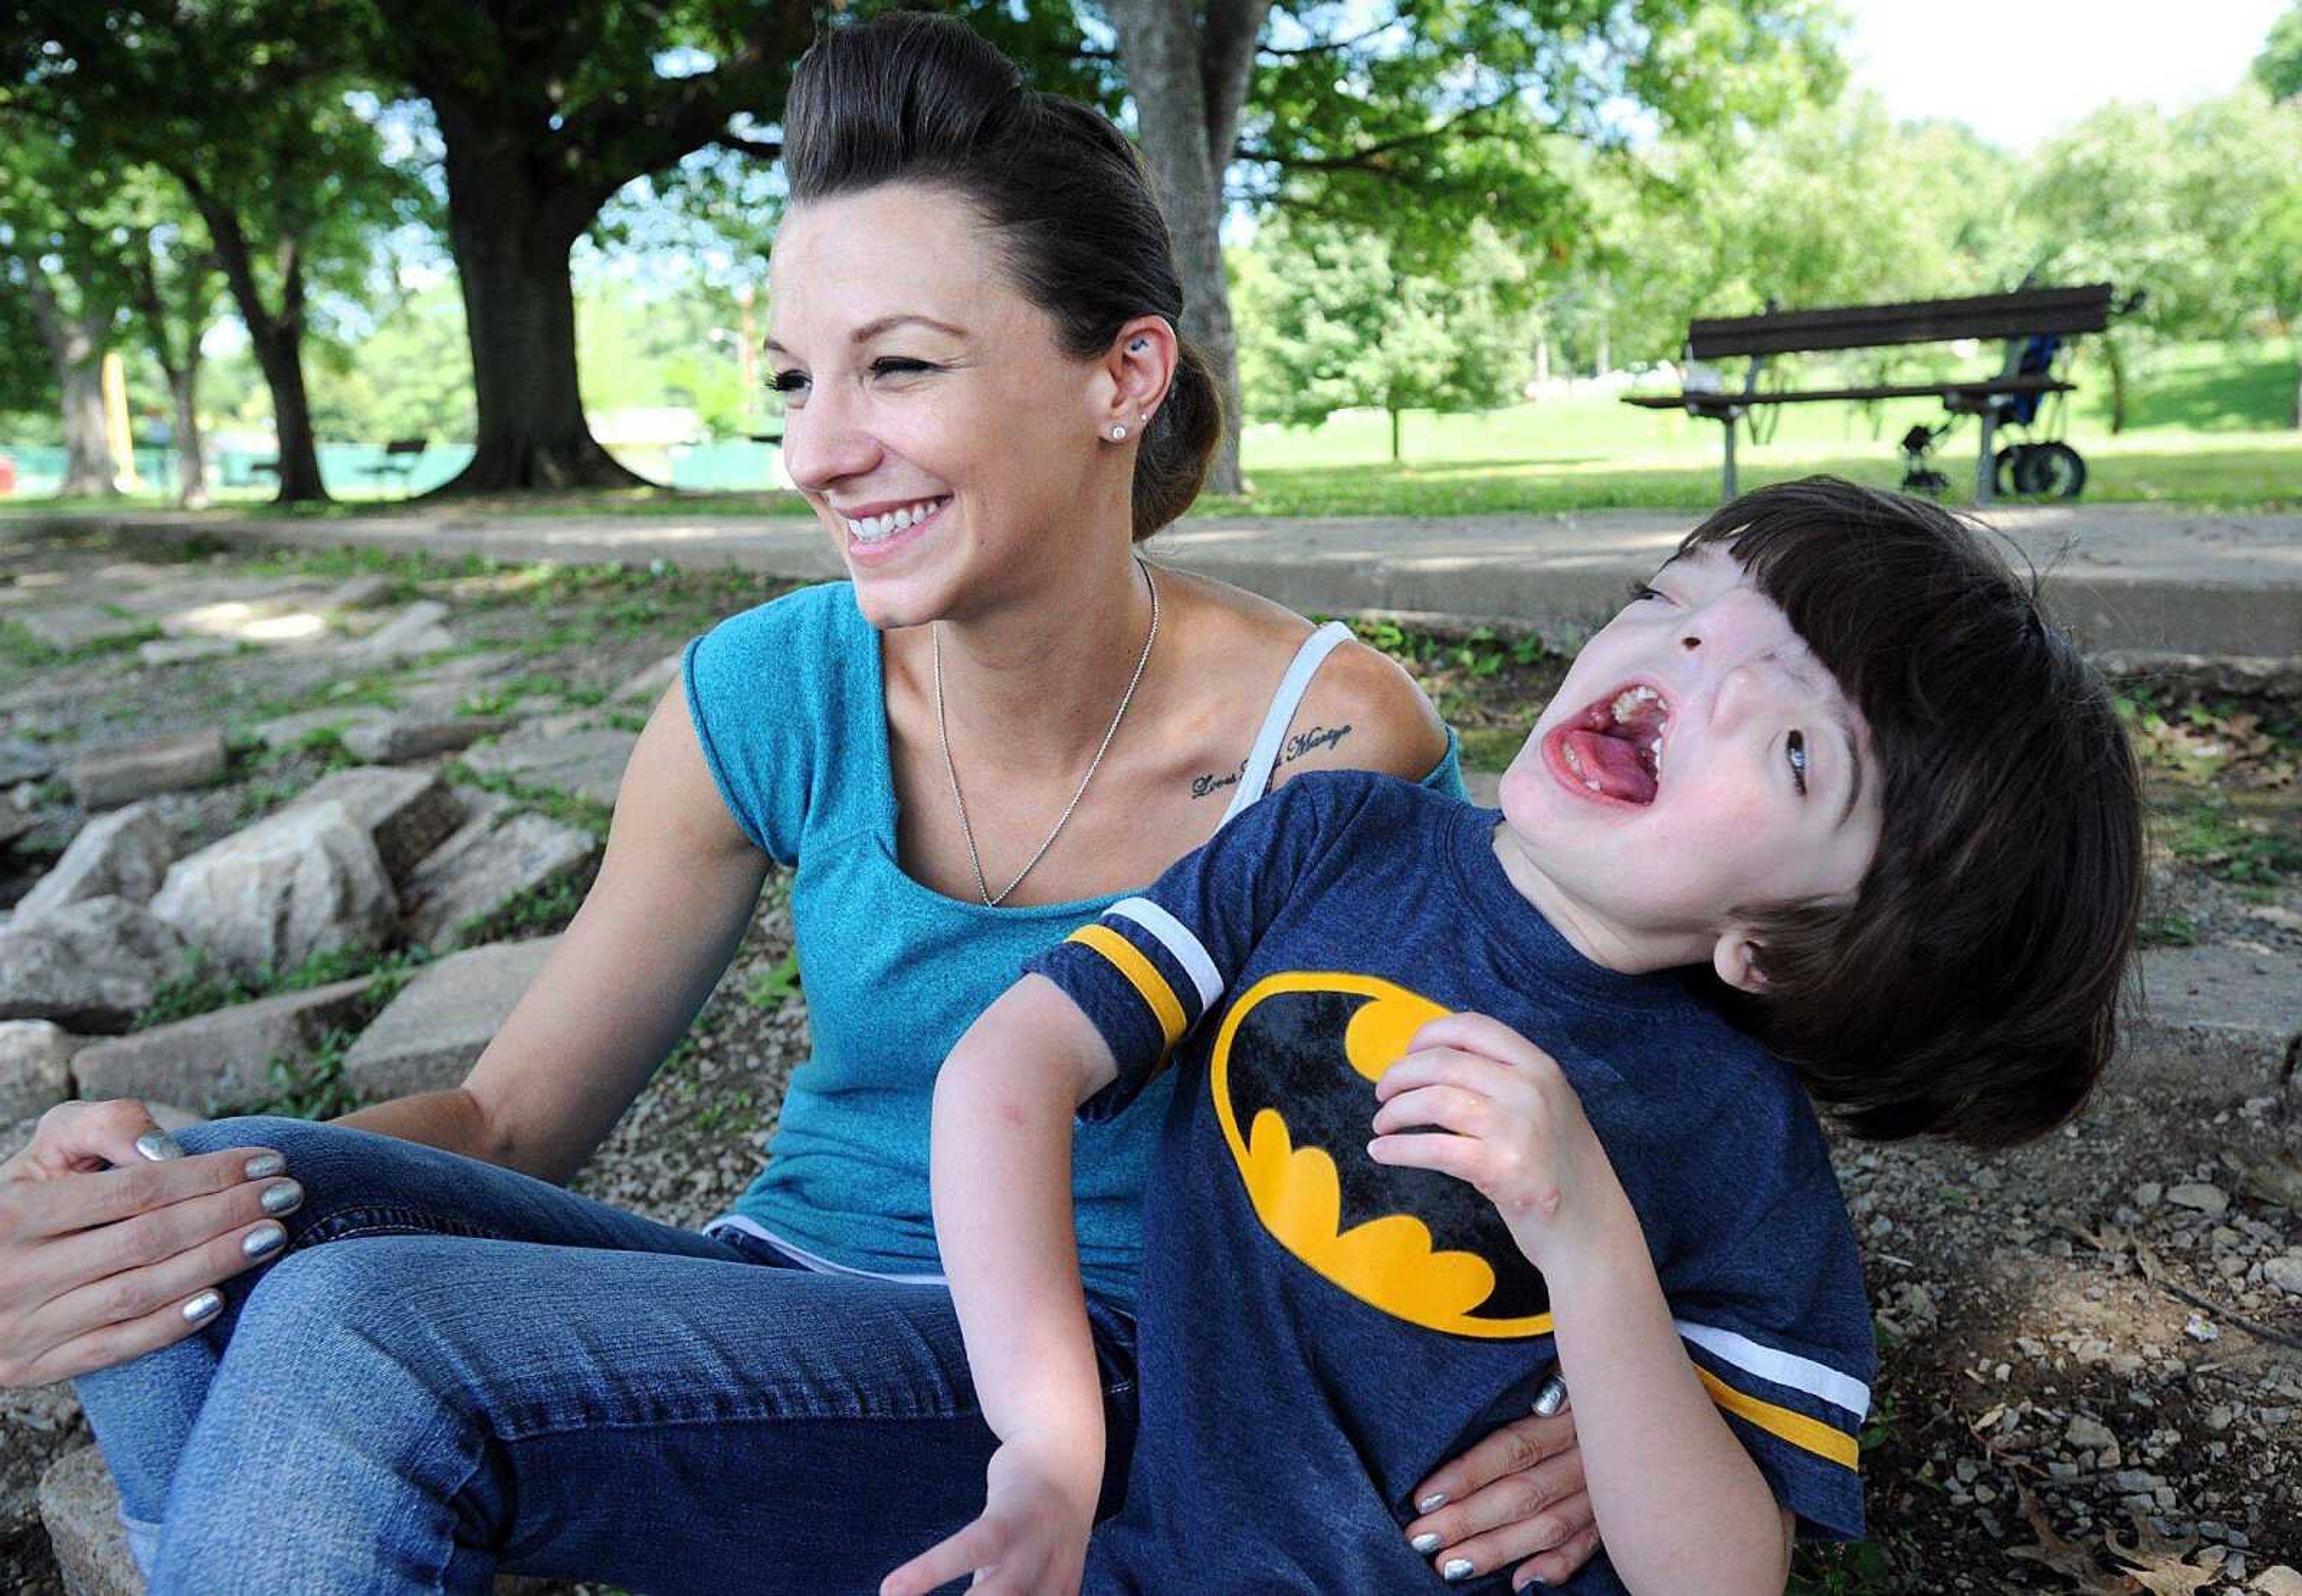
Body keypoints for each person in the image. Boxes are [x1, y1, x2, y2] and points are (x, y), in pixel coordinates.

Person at [0, 14, 1605, 1592]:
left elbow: (1528, 1123)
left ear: (1124, 375)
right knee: (177, 1224)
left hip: (1102, 1372)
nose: (817, 452)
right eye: (790, 379)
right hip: (769, 1311)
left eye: (898, 366)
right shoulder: (768, 691)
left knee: (354, 1339)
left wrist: (1613, 1398)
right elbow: (508, 1120)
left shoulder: (1319, 739)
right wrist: (141, 1212)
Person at [883, 478, 2144, 1595]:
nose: (1711, 656)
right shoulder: (1324, 844)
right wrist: (1047, 1451)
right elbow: (1011, 1065)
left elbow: (1719, 1572)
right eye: (1681, 599)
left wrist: (1590, 1240)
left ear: (1775, 944)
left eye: (1800, 745)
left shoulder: (1738, 1134)